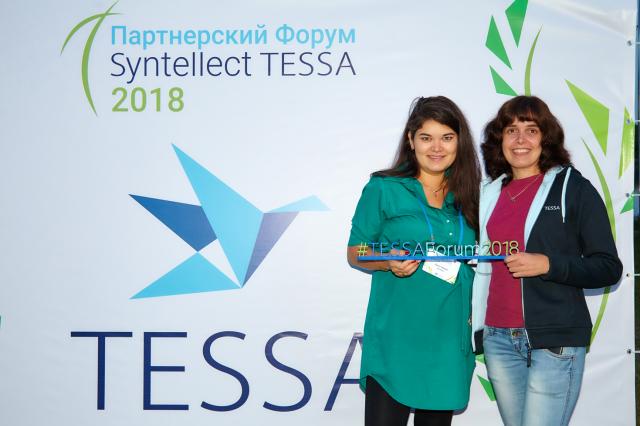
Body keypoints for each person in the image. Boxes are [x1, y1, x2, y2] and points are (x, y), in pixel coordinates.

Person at [471, 95, 623, 426]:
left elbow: (608, 267)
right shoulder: (490, 193)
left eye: (531, 130)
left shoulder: (573, 188)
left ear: (546, 138)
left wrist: (549, 265)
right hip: (498, 339)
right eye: (511, 130)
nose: (520, 140)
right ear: (500, 139)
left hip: (554, 341)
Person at [347, 96, 481, 426]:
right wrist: (387, 260)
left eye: (447, 137)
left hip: (448, 339)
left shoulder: (473, 194)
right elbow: (355, 251)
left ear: (459, 141)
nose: (437, 147)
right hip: (396, 337)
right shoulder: (384, 187)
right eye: (426, 137)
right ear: (411, 140)